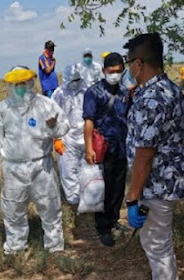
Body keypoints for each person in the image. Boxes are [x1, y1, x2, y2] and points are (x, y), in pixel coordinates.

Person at [0, 66, 70, 255]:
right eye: (16, 84)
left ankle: (54, 247)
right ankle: (15, 247)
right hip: (14, 168)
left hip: (42, 165)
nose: (20, 88)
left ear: (31, 82)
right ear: (10, 86)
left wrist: (54, 127)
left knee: (50, 207)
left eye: (23, 83)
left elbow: (64, 127)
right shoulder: (3, 108)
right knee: (13, 210)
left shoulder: (45, 104)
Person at [124, 32, 184, 280]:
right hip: (170, 180)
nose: (128, 70)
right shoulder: (171, 89)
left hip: (156, 185)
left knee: (157, 247)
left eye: (128, 63)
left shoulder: (150, 98)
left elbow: (144, 156)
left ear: (139, 64)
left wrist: (132, 198)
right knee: (161, 245)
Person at [83, 53, 130, 247]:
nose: (115, 75)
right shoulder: (94, 92)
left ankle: (114, 219)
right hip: (103, 148)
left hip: (121, 146)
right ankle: (103, 227)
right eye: (111, 72)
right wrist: (88, 148)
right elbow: (88, 121)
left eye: (119, 71)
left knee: (118, 187)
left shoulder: (125, 92)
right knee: (104, 188)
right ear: (104, 71)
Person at [52, 64, 88, 205]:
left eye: (77, 80)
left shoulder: (85, 91)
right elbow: (53, 118)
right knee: (69, 171)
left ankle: (87, 200)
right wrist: (57, 139)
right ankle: (74, 203)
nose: (74, 84)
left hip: (85, 136)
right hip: (67, 138)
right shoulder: (59, 94)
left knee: (86, 170)